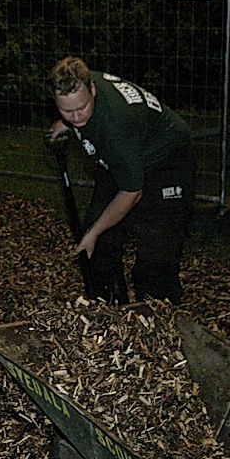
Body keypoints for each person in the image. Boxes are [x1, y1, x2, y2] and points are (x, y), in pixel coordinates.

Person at [46, 57, 195, 305]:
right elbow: (79, 115)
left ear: (92, 89)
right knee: (97, 248)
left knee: (155, 258)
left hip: (166, 163)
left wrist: (93, 233)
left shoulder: (116, 127)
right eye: (66, 110)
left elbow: (131, 192)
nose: (76, 117)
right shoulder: (77, 80)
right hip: (122, 160)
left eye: (81, 108)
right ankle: (111, 314)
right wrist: (66, 125)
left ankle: (159, 324)